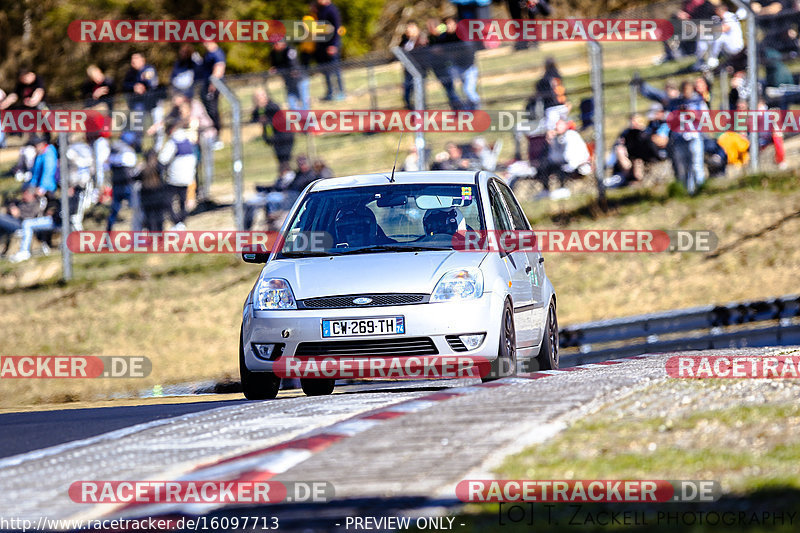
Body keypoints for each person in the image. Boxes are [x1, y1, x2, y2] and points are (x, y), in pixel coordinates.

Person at [158, 120, 197, 230]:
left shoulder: (173, 142)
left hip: (174, 178)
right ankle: (181, 223)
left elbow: (162, 160)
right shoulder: (188, 140)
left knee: (167, 202)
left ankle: (177, 223)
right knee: (183, 202)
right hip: (188, 177)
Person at [0, 187, 54, 262]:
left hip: (20, 224)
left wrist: (19, 214)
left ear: (31, 195)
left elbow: (31, 218)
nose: (23, 195)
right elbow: (9, 203)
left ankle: (24, 251)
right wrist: (12, 207)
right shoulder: (21, 202)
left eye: (26, 193)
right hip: (14, 220)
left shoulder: (36, 204)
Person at [541, 119, 591, 199]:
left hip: (579, 164)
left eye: (559, 126)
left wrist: (559, 158)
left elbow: (568, 156)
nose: (556, 128)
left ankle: (563, 189)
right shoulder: (557, 138)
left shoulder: (571, 135)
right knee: (544, 167)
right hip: (565, 163)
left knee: (562, 168)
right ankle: (545, 191)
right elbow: (552, 157)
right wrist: (552, 143)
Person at [122, 53, 160, 151]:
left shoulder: (149, 70)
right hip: (138, 104)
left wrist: (143, 85)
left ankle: (157, 148)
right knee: (138, 126)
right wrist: (134, 87)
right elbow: (125, 85)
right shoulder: (130, 73)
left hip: (153, 102)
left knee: (157, 125)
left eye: (135, 59)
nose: (133, 62)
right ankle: (138, 147)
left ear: (142, 60)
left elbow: (153, 83)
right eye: (132, 60)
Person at [251, 89, 295, 173]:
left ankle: (288, 176)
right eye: (258, 97)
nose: (260, 99)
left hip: (284, 136)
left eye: (261, 96)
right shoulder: (258, 110)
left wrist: (266, 121)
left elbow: (278, 120)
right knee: (281, 161)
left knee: (285, 160)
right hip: (274, 139)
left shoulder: (272, 106)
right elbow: (253, 120)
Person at [694, 3, 744, 70]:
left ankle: (713, 60)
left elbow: (724, 29)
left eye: (717, 11)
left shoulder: (729, 16)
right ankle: (700, 60)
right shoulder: (722, 18)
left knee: (719, 37)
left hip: (735, 46)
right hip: (727, 46)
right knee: (705, 37)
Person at [106, 135, 140, 231]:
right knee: (136, 210)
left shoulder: (113, 151)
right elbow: (133, 171)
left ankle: (108, 235)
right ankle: (138, 234)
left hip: (116, 185)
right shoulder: (129, 153)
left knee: (113, 212)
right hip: (128, 186)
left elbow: (107, 165)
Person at [316, 0, 346, 101]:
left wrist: (334, 45)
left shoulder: (332, 10)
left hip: (332, 46)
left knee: (335, 69)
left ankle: (341, 92)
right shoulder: (320, 10)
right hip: (323, 46)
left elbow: (337, 29)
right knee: (326, 71)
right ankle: (330, 92)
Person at [270, 39, 311, 111]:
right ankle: (301, 116)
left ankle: (308, 119)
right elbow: (275, 65)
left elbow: (292, 64)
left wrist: (284, 69)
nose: (274, 46)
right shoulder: (274, 53)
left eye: (276, 44)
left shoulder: (290, 49)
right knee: (292, 104)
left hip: (300, 79)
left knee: (303, 101)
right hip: (289, 81)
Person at [197, 41, 226, 134]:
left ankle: (217, 132)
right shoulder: (208, 54)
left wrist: (213, 83)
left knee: (213, 110)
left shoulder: (217, 53)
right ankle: (212, 132)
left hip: (212, 86)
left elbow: (219, 67)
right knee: (208, 110)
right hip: (207, 84)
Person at [136, 150, 168, 232]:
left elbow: (133, 178)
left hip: (147, 198)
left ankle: (153, 236)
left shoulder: (143, 170)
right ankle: (159, 236)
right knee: (159, 217)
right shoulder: (158, 167)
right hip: (158, 196)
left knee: (149, 218)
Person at [399, 22, 425, 110]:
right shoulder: (405, 40)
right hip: (408, 72)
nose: (408, 30)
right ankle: (414, 115)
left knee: (417, 95)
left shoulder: (422, 40)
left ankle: (419, 116)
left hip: (418, 72)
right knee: (406, 96)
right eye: (407, 28)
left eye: (411, 27)